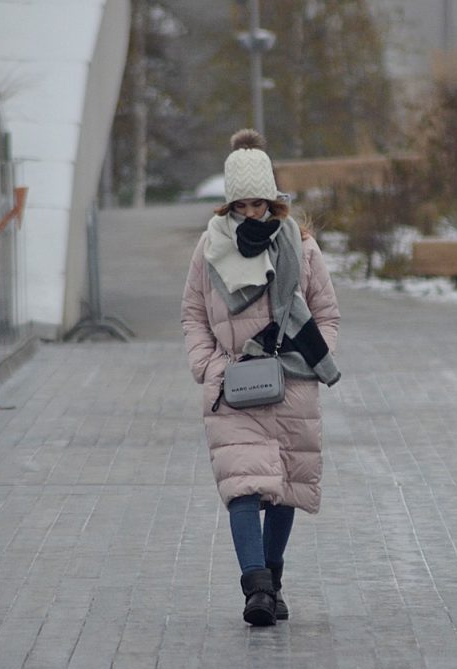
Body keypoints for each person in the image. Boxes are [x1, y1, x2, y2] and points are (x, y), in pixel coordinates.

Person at [181, 129, 341, 626]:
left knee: (285, 487)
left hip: (291, 382)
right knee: (244, 488)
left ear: (273, 201)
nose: (251, 214)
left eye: (259, 203)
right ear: (227, 205)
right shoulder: (209, 251)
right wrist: (209, 367)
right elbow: (191, 314)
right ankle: (256, 588)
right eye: (241, 205)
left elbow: (326, 315)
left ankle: (272, 582)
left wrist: (312, 357)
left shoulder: (303, 249)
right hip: (233, 386)